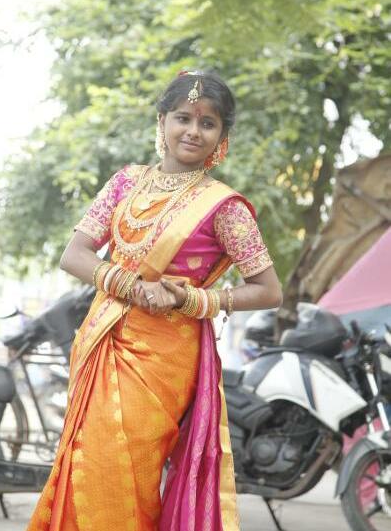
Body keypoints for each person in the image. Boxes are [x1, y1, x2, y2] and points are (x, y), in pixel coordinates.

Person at [27, 70, 282, 531]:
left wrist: (197, 301)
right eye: (183, 117)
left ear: (221, 137)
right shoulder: (125, 182)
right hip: (103, 340)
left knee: (124, 472)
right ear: (162, 121)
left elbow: (268, 290)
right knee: (87, 461)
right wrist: (132, 287)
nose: (193, 131)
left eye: (208, 123)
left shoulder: (224, 207)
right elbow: (74, 254)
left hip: (164, 359)